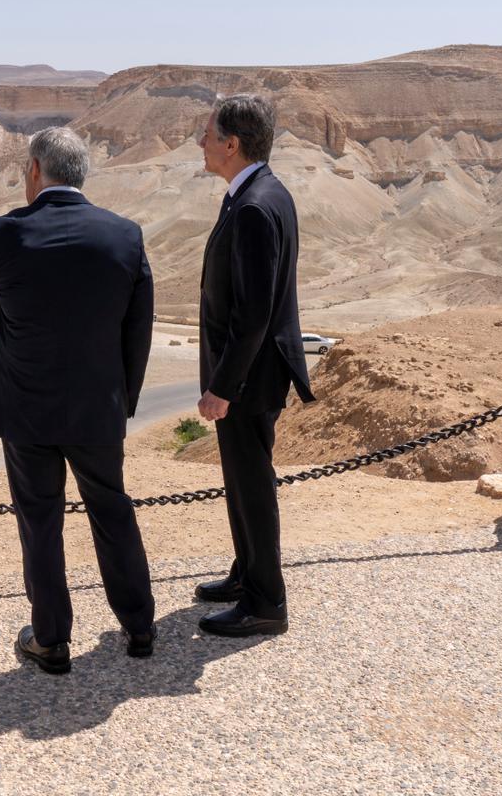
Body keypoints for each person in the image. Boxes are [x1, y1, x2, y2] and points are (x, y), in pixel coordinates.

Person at [0, 127, 155, 674]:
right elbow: (137, 328)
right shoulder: (124, 234)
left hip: (28, 412)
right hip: (98, 407)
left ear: (34, 171)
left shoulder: (4, 233)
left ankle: (50, 640)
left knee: (40, 521)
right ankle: (140, 626)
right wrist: (123, 397)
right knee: (112, 510)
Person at [194, 94, 315, 637]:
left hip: (249, 375)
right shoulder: (257, 193)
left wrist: (223, 386)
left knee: (252, 483)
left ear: (231, 144)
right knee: (241, 481)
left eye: (207, 134)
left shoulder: (252, 207)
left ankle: (266, 602)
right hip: (249, 371)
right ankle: (247, 574)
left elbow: (253, 315)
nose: (201, 143)